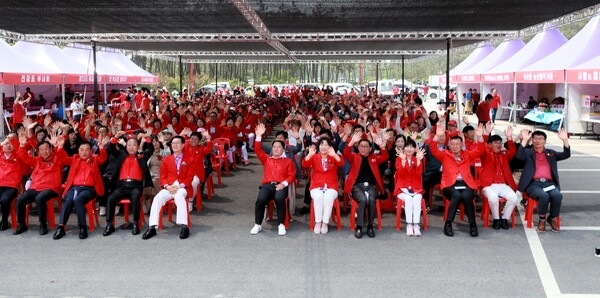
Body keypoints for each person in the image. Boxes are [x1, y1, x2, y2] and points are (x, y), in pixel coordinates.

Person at [430, 120, 485, 237]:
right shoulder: (445, 154)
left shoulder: (467, 154)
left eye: (457, 144)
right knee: (456, 195)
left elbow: (480, 150)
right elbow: (433, 149)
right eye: (452, 144)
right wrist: (437, 136)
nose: (455, 147)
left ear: (461, 145)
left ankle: (473, 224)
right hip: (450, 185)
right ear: (449, 145)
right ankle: (448, 224)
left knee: (466, 196)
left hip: (466, 183)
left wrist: (480, 137)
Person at [13, 134, 70, 235]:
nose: (44, 151)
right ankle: (21, 224)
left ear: (51, 149)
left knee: (40, 198)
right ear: (38, 152)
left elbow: (63, 156)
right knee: (20, 199)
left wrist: (58, 146)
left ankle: (43, 224)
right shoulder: (37, 160)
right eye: (42, 150)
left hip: (52, 188)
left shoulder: (57, 159)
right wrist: (21, 145)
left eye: (46, 149)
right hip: (36, 187)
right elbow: (24, 157)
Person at [516, 128, 570, 233]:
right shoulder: (527, 152)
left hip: (549, 183)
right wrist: (524, 140)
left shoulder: (551, 153)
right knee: (543, 196)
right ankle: (542, 219)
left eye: (541, 139)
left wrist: (565, 140)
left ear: (545, 141)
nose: (538, 141)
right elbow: (519, 157)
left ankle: (552, 218)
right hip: (533, 184)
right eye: (535, 138)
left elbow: (566, 155)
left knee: (557, 195)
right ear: (531, 140)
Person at [53, 140, 108, 240]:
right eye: (82, 150)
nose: (84, 152)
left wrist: (101, 148)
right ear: (78, 151)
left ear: (91, 151)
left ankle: (82, 227)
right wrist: (59, 147)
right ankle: (61, 227)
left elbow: (103, 158)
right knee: (69, 200)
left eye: (87, 150)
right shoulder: (75, 159)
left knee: (78, 200)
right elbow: (62, 158)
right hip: (74, 188)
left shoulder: (95, 159)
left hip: (89, 189)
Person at [102, 133, 154, 236]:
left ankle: (135, 224)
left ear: (138, 147)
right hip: (121, 186)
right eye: (129, 145)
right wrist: (116, 136)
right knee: (111, 198)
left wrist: (146, 136)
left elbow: (151, 149)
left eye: (134, 145)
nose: (131, 147)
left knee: (135, 197)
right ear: (126, 146)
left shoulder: (141, 156)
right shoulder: (121, 154)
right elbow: (111, 148)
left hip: (136, 186)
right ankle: (109, 225)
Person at [142, 135, 193, 240]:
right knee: (158, 198)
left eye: (177, 143)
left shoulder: (189, 159)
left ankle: (184, 226)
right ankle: (152, 227)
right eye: (173, 143)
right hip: (169, 187)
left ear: (183, 145)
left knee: (179, 196)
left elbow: (190, 177)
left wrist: (180, 186)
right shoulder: (166, 160)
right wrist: (167, 186)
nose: (174, 145)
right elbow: (163, 176)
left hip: (182, 187)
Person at [250, 123, 296, 236]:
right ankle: (257, 224)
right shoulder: (267, 159)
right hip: (267, 185)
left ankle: (281, 224)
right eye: (274, 147)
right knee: (261, 199)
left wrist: (284, 184)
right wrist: (259, 137)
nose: (276, 149)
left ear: (283, 149)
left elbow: (292, 175)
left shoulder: (288, 161)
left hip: (280, 185)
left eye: (279, 147)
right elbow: (258, 150)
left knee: (280, 199)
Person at [343, 130, 388, 239]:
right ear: (358, 148)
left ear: (370, 148)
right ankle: (359, 227)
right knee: (362, 199)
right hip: (357, 186)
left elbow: (385, 157)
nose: (363, 148)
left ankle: (370, 226)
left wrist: (382, 146)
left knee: (372, 200)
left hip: (371, 187)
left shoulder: (373, 158)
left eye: (366, 146)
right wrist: (351, 142)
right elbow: (346, 153)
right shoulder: (354, 157)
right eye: (361, 146)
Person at [302, 137, 344, 234]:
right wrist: (309, 155)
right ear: (318, 146)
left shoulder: (333, 156)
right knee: (318, 196)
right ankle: (318, 222)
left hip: (331, 186)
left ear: (330, 147)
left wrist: (334, 155)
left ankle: (325, 222)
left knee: (328, 197)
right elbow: (304, 164)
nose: (323, 147)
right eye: (321, 144)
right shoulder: (315, 157)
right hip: (316, 185)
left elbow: (341, 163)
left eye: (326, 145)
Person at [480, 127, 518, 230]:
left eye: (500, 143)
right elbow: (481, 148)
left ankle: (505, 218)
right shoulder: (485, 154)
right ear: (490, 144)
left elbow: (513, 152)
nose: (498, 145)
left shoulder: (504, 155)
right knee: (493, 199)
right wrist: (486, 134)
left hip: (503, 185)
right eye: (495, 143)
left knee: (514, 198)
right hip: (489, 185)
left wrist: (509, 138)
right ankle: (496, 219)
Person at [394, 139, 426, 236]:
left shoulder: (417, 159)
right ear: (403, 149)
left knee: (416, 199)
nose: (409, 149)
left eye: (411, 147)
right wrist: (403, 160)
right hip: (402, 189)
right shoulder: (398, 159)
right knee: (408, 199)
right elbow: (401, 174)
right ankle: (409, 224)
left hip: (416, 189)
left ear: (414, 149)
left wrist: (418, 160)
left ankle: (416, 224)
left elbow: (418, 174)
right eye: (407, 147)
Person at [0, 136, 26, 231]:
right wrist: (4, 142)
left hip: (11, 187)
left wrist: (12, 139)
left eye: (10, 144)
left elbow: (20, 148)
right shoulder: (0, 156)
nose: (8, 145)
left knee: (4, 200)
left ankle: (4, 221)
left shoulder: (18, 156)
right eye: (6, 144)